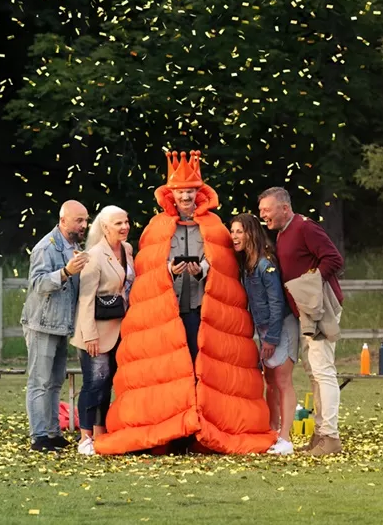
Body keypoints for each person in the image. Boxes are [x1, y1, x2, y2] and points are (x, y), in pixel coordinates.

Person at [93, 150, 277, 455]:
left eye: (190, 191)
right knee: (167, 375)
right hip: (167, 314)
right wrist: (168, 269)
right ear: (171, 195)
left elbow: (225, 266)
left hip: (202, 312)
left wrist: (203, 269)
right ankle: (170, 434)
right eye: (180, 192)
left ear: (198, 193)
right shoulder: (156, 227)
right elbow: (146, 267)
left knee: (201, 372)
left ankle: (201, 431)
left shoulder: (216, 228)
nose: (186, 197)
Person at [258, 187, 345, 457]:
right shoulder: (283, 234)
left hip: (318, 307)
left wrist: (310, 283)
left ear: (284, 208)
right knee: (313, 373)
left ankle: (330, 436)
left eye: (267, 210)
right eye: (261, 211)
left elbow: (334, 259)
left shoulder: (305, 228)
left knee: (323, 370)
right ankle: (320, 434)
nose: (264, 215)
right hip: (304, 311)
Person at [20, 200, 90, 452]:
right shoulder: (45, 248)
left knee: (56, 380)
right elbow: (38, 285)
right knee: (39, 380)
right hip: (42, 324)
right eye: (79, 220)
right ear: (63, 221)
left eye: (85, 220)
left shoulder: (75, 246)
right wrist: (65, 272)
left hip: (62, 325)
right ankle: (38, 436)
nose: (84, 225)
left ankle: (53, 432)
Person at [229, 213, 301, 455]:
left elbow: (277, 302)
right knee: (269, 382)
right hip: (265, 329)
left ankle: (286, 438)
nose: (234, 236)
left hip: (280, 327)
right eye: (232, 232)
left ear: (251, 233)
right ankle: (273, 430)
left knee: (282, 382)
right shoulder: (247, 264)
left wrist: (271, 338)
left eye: (239, 231)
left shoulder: (264, 264)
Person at [70, 205, 135, 455]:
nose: (124, 227)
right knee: (94, 383)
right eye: (118, 223)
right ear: (105, 227)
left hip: (121, 327)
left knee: (109, 382)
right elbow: (86, 298)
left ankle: (101, 433)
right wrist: (90, 336)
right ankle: (85, 436)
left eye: (126, 222)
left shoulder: (127, 250)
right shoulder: (94, 256)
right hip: (96, 330)